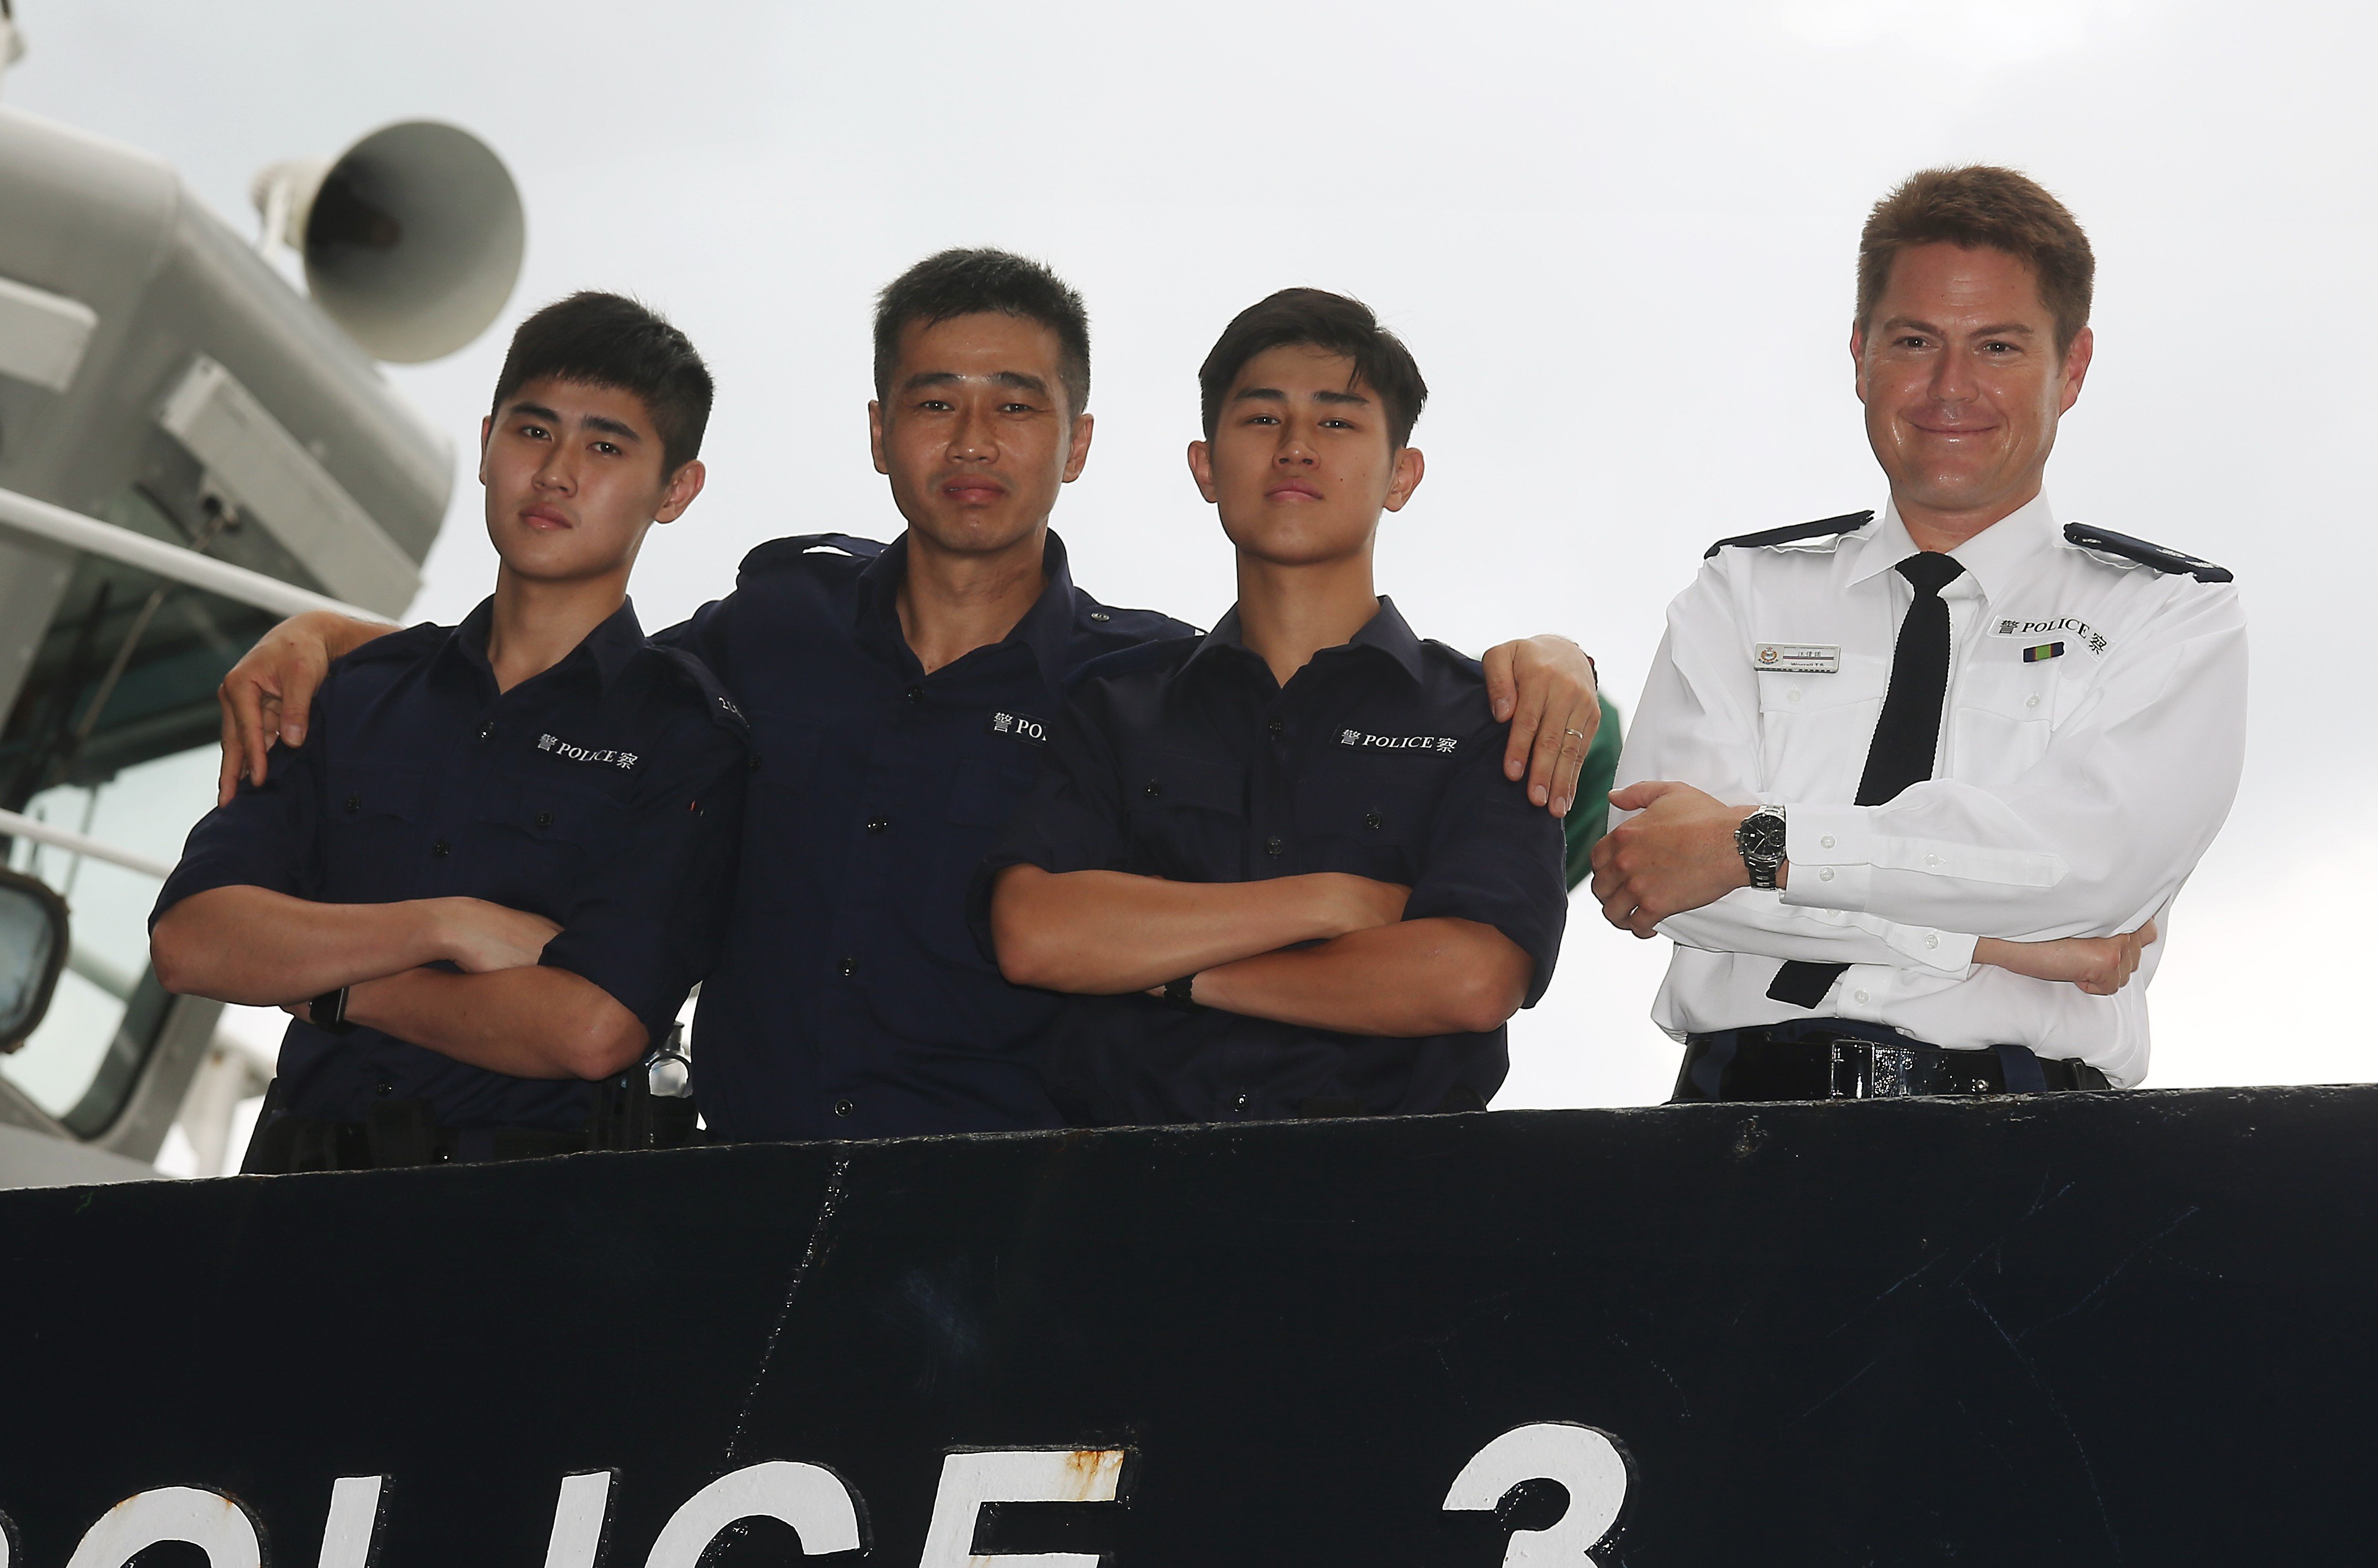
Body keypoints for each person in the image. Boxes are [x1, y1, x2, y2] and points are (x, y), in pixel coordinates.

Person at [212, 251, 1607, 1142]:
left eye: (1017, 405)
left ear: (1083, 447)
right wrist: (329, 637)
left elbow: (1316, 719)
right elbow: (552, 659)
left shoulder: (1133, 684)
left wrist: (1560, 662)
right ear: (879, 433)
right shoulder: (771, 628)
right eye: (936, 402)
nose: (976, 440)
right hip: (720, 1191)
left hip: (991, 1216)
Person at [1587, 166, 2244, 1101]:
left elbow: (2087, 871)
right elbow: (1659, 873)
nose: (1950, 388)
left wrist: (1756, 846)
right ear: (1860, 354)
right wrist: (1993, 939)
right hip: (1734, 1135)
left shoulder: (2168, 614)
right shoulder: (1741, 594)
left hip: (2035, 1142)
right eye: (1914, 340)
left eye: (2000, 347)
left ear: (2075, 367)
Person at [146, 292, 749, 1169]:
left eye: (607, 447)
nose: (557, 473)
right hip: (289, 1202)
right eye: (533, 432)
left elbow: (591, 1028)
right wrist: (447, 926)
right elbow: (194, 940)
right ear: (485, 443)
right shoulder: (350, 693)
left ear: (676, 490)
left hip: (518, 1226)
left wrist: (341, 992)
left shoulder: (684, 738)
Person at [983, 289, 1568, 1125]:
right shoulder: (1118, 703)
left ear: (1401, 474)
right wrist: (1332, 903)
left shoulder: (1486, 718)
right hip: (1123, 1208)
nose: (1296, 449)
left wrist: (1177, 973)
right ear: (1206, 467)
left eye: (1337, 423)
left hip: (1397, 1210)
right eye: (1261, 420)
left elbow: (1470, 979)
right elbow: (1037, 934)